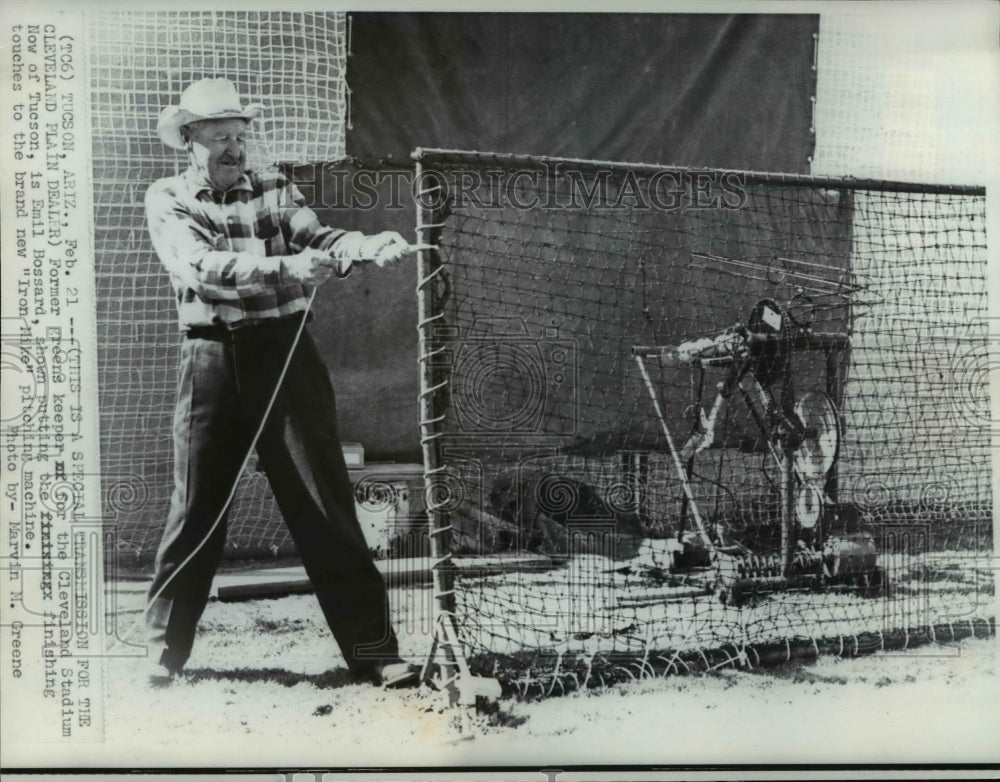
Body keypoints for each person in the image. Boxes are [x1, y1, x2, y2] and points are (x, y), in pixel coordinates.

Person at [142, 78, 418, 688]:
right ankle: (163, 654)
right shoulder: (167, 198)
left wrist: (365, 245)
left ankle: (375, 652)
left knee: (325, 504)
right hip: (212, 360)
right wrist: (288, 268)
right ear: (189, 140)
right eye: (220, 138)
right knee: (195, 512)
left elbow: (316, 237)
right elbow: (200, 268)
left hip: (287, 356)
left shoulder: (272, 187)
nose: (234, 148)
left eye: (240, 136)